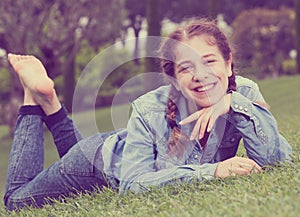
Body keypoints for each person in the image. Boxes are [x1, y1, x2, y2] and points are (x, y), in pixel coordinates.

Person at [4, 18, 292, 211]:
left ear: (228, 64)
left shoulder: (245, 93)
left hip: (117, 147)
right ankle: (33, 99)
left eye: (209, 61)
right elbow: (133, 183)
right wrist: (212, 171)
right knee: (16, 200)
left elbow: (276, 157)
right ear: (176, 78)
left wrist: (233, 104)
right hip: (97, 165)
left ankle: (51, 102)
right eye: (186, 67)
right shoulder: (150, 108)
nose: (200, 75)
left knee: (72, 148)